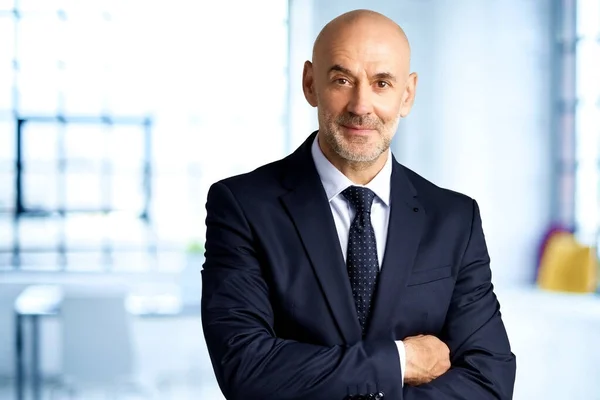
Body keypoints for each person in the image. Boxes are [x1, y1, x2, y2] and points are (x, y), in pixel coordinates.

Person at [201, 9, 516, 400]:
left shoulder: (455, 219)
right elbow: (245, 368)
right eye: (342, 80)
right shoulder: (242, 206)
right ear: (310, 83)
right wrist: (399, 361)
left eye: (382, 83)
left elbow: (489, 382)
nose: (361, 105)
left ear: (407, 95)